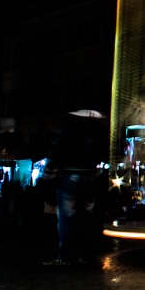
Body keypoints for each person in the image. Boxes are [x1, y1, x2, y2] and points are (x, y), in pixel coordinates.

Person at [44, 110, 109, 266]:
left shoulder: (67, 129)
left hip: (68, 174)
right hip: (89, 176)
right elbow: (103, 152)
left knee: (66, 218)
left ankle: (66, 256)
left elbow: (56, 150)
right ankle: (85, 254)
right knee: (86, 216)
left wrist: (48, 170)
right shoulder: (96, 130)